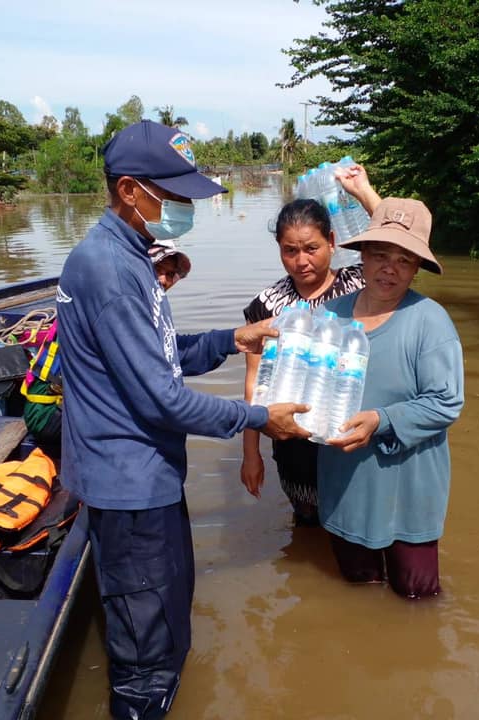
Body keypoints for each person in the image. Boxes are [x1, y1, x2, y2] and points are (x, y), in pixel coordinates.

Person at [56, 120, 309, 720]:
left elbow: (163, 356)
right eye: (173, 196)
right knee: (145, 650)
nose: (185, 207)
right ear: (129, 191)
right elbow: (161, 400)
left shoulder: (132, 258)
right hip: (128, 484)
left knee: (166, 616)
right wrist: (257, 418)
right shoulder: (112, 272)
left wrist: (230, 338)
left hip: (147, 475)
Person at [318, 197, 464, 599]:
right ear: (361, 256)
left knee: (416, 600)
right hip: (346, 484)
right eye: (380, 254)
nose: (389, 268)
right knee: (359, 595)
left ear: (417, 267)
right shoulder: (329, 317)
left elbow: (446, 401)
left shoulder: (429, 321)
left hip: (410, 491)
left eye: (404, 259)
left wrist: (379, 420)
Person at [240, 164, 381, 525]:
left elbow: (395, 242)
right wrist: (251, 454)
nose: (301, 260)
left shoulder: (361, 285)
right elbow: (255, 383)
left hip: (350, 432)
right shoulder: (267, 305)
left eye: (312, 248)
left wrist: (363, 192)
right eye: (290, 250)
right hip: (293, 440)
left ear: (332, 243)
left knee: (356, 526)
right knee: (306, 522)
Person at [21, 241, 192, 458]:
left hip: (71, 402)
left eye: (171, 275)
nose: (164, 280)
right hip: (47, 412)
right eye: (157, 270)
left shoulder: (139, 304)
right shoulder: (115, 304)